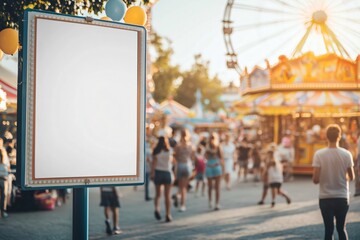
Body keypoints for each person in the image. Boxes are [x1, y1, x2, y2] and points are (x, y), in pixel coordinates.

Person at [312, 124, 355, 240]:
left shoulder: (319, 155)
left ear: (326, 137)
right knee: (341, 229)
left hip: (325, 197)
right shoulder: (347, 154)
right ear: (339, 136)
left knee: (328, 230)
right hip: (342, 197)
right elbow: (352, 177)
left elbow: (315, 180)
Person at [151, 136, 174, 222]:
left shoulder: (156, 151)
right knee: (167, 196)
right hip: (167, 173)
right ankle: (168, 214)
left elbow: (154, 164)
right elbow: (171, 162)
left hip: (158, 172)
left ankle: (157, 209)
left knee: (157, 194)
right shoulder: (169, 151)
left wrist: (152, 174)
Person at [173, 129, 194, 212]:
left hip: (180, 165)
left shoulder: (178, 146)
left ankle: (178, 196)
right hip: (187, 165)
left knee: (181, 186)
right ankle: (182, 204)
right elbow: (192, 157)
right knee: (184, 187)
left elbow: (175, 157)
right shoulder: (190, 146)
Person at [205, 132, 224, 210]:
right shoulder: (218, 146)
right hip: (216, 166)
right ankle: (217, 203)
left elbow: (205, 157)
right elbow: (221, 158)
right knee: (217, 187)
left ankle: (210, 202)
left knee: (210, 186)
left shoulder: (207, 147)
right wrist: (223, 168)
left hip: (209, 166)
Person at [0, 150, 9, 218]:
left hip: (4, 180)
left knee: (4, 196)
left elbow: (7, 170)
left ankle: (3, 211)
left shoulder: (4, 164)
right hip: (2, 179)